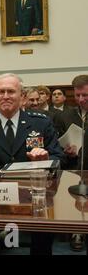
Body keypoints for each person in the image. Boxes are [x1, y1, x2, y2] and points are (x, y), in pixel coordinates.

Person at [0, 73, 64, 255]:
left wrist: (46, 158)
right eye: (1, 92)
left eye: (11, 91)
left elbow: (59, 158)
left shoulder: (40, 122)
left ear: (22, 96)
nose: (6, 96)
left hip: (32, 193)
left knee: (44, 229)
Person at [54, 75, 88, 251]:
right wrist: (67, 152)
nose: (81, 100)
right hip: (73, 167)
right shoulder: (65, 116)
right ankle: (77, 232)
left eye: (85, 95)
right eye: (77, 96)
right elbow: (57, 146)